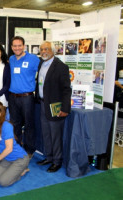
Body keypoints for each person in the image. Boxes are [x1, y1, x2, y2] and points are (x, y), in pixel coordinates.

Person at [35, 41, 72, 173]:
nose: (44, 51)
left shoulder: (61, 67)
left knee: (55, 135)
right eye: (41, 49)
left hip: (55, 106)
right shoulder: (41, 63)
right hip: (43, 104)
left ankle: (57, 161)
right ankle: (49, 157)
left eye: (46, 49)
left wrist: (65, 109)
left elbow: (67, 90)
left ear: (52, 51)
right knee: (46, 133)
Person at [0, 101, 30, 187]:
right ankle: (14, 170)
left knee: (3, 182)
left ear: (0, 113)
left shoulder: (6, 126)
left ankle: (22, 170)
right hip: (6, 158)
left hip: (19, 158)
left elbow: (9, 149)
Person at [8, 36, 40, 158]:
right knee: (15, 124)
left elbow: (43, 73)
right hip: (12, 97)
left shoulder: (33, 59)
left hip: (27, 97)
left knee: (29, 124)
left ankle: (29, 150)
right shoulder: (11, 59)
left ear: (24, 46)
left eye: (19, 45)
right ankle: (16, 147)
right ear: (11, 47)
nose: (17, 48)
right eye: (14, 46)